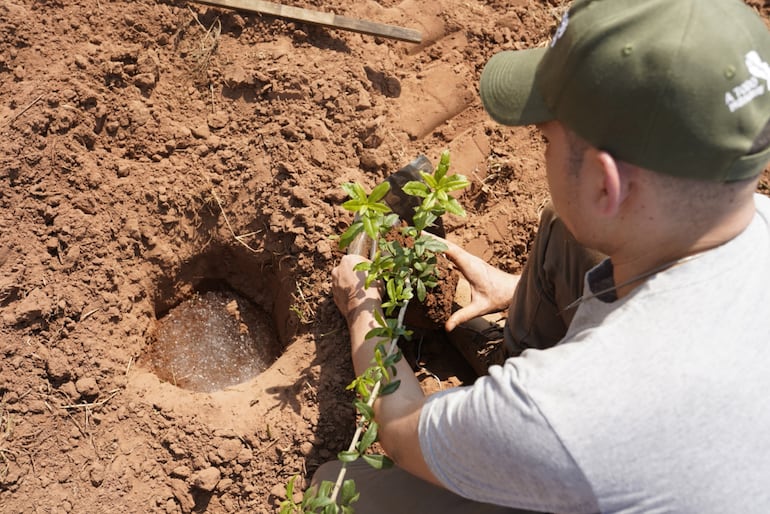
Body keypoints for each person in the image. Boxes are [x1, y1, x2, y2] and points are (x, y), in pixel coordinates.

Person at [315, 0, 770, 511]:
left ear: (605, 181)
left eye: (545, 138)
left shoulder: (574, 408)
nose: (542, 148)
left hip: (587, 442)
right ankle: (508, 372)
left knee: (340, 488)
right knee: (566, 233)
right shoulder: (744, 218)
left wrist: (362, 309)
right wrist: (517, 289)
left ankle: (496, 428)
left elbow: (399, 431)